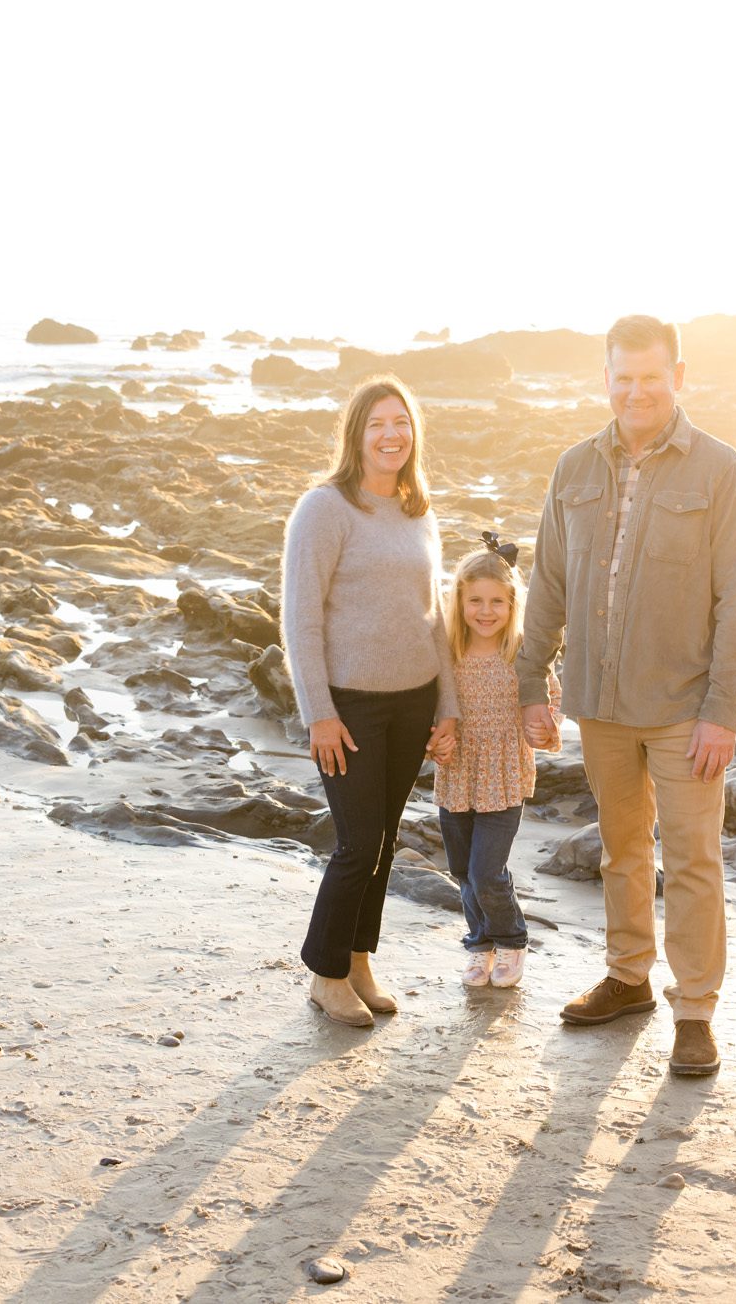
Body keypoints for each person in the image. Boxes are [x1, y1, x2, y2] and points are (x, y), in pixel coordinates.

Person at [516, 314, 736, 1076]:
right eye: (622, 377)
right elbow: (550, 583)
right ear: (607, 380)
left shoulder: (721, 471)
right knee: (621, 850)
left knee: (692, 859)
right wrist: (532, 680)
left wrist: (724, 709)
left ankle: (695, 1008)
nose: (636, 391)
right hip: (601, 702)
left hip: (687, 709)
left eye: (651, 377)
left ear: (678, 377)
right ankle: (629, 977)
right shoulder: (574, 469)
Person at [281, 376, 460, 1027]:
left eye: (402, 422)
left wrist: (450, 706)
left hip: (412, 702)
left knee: (384, 842)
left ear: (415, 433)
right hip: (349, 708)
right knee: (357, 843)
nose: (391, 434)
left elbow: (434, 615)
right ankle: (325, 973)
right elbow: (300, 618)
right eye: (378, 423)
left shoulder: (420, 512)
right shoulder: (325, 508)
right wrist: (318, 712)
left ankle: (357, 958)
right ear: (357, 434)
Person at [434, 534, 559, 989]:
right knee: (462, 870)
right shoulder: (447, 653)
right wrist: (435, 743)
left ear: (512, 605)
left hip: (504, 776)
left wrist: (542, 729)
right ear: (459, 602)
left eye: (497, 603)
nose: (486, 612)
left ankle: (511, 939)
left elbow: (548, 703)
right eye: (475, 601)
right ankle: (479, 944)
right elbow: (435, 711)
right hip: (457, 774)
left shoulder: (522, 653)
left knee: (487, 871)